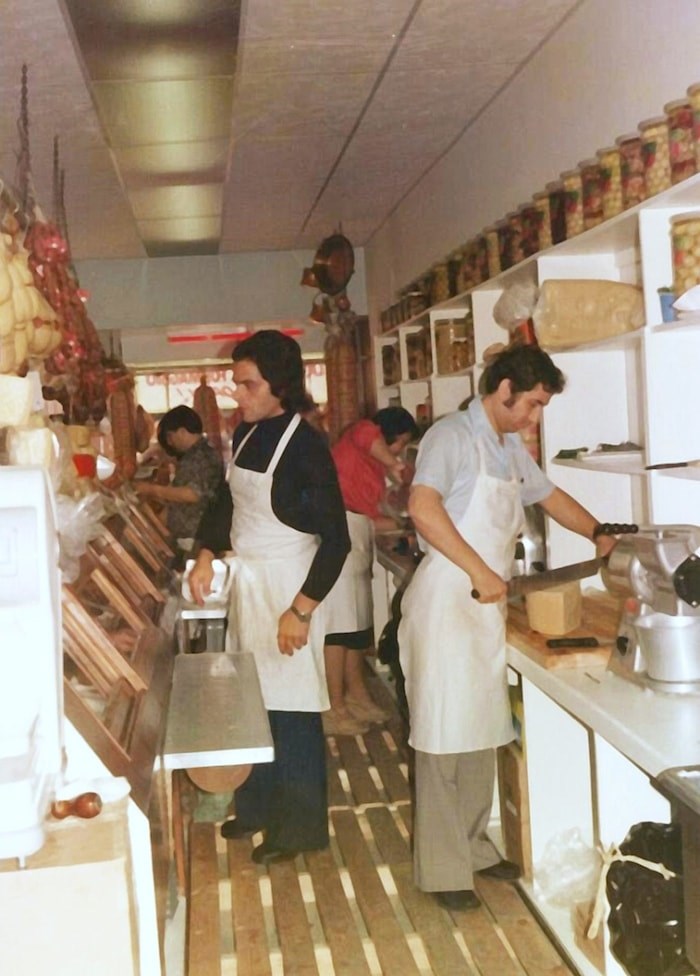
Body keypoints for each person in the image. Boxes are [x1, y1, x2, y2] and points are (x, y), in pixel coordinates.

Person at [397, 344, 618, 912]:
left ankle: (471, 847)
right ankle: (443, 871)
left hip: (482, 604)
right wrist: (477, 569)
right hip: (448, 598)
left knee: (480, 731)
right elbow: (423, 508)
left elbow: (548, 497)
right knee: (442, 738)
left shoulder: (509, 447)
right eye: (534, 405)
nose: (535, 417)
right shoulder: (451, 437)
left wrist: (598, 532)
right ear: (503, 391)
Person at [187, 330, 350, 865]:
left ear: (279, 385)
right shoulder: (247, 433)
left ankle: (299, 829)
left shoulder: (305, 444)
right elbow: (226, 504)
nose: (238, 393)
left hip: (290, 587)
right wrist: (209, 552)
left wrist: (301, 609)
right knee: (252, 704)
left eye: (248, 384)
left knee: (293, 713)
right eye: (236, 383)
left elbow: (337, 539)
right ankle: (256, 807)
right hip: (251, 587)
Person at [323, 407, 419, 736]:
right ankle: (332, 707)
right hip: (337, 533)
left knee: (356, 626)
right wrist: (395, 465)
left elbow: (370, 515)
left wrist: (407, 521)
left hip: (354, 532)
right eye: (400, 443)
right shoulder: (362, 431)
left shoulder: (371, 467)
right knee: (337, 627)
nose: (398, 451)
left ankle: (357, 696)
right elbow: (368, 436)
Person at [132, 404, 224, 565]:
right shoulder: (193, 455)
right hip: (190, 540)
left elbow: (192, 494)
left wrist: (152, 490)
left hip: (197, 541)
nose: (170, 443)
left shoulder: (201, 456)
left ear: (182, 432)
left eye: (170, 437)